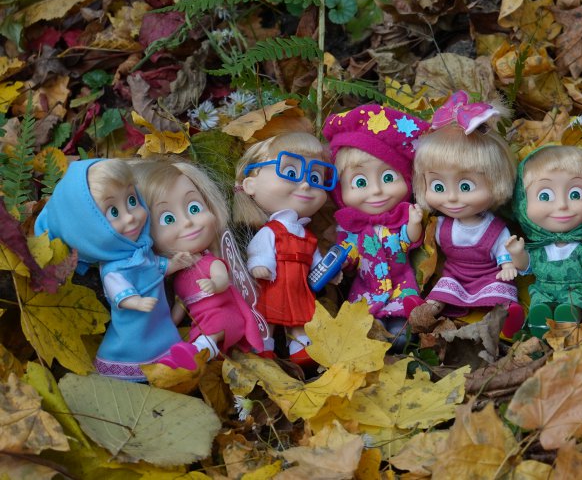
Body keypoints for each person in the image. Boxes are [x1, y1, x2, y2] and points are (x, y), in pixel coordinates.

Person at [34, 159, 201, 381]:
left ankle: (169, 360)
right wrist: (135, 301)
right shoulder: (115, 267)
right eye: (113, 212)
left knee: (162, 337)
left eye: (132, 200)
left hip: (158, 317)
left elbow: (155, 267)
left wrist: (175, 264)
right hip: (135, 323)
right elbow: (117, 290)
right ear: (90, 229)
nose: (130, 216)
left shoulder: (141, 251)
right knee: (138, 343)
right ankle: (131, 366)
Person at [409, 90, 523, 338]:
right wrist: (414, 224)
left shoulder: (493, 228)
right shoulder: (441, 225)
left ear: (496, 182)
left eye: (466, 186)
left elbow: (502, 250)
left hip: (488, 274)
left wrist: (506, 264)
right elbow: (423, 246)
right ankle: (425, 312)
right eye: (438, 187)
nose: (451, 197)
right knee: (442, 291)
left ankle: (508, 314)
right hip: (454, 274)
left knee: (500, 289)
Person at [132, 159, 264, 357]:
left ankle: (199, 352)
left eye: (194, 208)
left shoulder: (210, 262)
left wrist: (214, 285)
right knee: (197, 335)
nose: (187, 222)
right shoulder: (177, 276)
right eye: (168, 219)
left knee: (213, 328)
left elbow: (222, 279)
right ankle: (192, 354)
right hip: (200, 321)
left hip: (225, 314)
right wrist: (169, 325)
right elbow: (181, 305)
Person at [322, 104, 428, 346]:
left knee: (401, 331)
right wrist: (341, 263)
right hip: (366, 289)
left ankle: (401, 326)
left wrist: (414, 223)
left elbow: (407, 240)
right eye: (360, 182)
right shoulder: (351, 230)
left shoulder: (400, 219)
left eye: (388, 177)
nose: (377, 191)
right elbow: (349, 254)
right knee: (367, 324)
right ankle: (377, 328)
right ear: (339, 190)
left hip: (401, 284)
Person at [233, 132, 335, 364]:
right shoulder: (271, 230)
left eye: (316, 177)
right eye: (290, 173)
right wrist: (260, 264)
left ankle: (301, 347)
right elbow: (260, 249)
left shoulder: (307, 234)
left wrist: (329, 272)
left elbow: (316, 260)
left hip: (299, 284)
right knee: (268, 312)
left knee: (301, 315)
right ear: (250, 184)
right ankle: (264, 345)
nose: (306, 184)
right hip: (274, 282)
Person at [505, 145, 582, 338]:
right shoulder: (538, 249)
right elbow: (526, 266)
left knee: (575, 304)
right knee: (540, 304)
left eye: (575, 194)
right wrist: (517, 253)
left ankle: (570, 319)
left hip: (575, 292)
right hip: (544, 292)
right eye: (545, 196)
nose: (562, 205)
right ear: (523, 202)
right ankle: (540, 325)